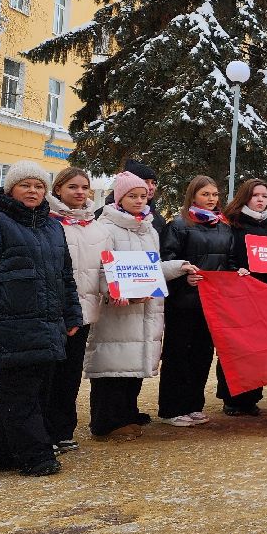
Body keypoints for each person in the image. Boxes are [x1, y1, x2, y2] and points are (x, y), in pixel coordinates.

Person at [0, 161, 84, 477]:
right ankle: (36, 457)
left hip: (46, 325)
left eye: (39, 186)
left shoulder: (52, 227)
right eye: (25, 185)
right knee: (22, 393)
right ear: (10, 189)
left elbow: (65, 277)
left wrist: (72, 314)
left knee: (19, 392)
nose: (33, 191)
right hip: (8, 325)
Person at [84, 171, 193, 439]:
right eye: (132, 196)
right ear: (119, 198)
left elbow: (151, 268)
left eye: (143, 196)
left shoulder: (148, 228)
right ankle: (106, 422)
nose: (139, 200)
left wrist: (178, 266)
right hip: (118, 308)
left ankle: (127, 414)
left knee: (132, 366)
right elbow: (100, 268)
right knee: (112, 365)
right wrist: (115, 291)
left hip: (145, 307)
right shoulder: (106, 227)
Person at [159, 175, 233, 426]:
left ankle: (193, 404)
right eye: (205, 195)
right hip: (184, 302)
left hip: (212, 303)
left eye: (214, 195)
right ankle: (172, 408)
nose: (211, 199)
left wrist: (237, 273)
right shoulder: (179, 225)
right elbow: (167, 260)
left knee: (202, 355)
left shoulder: (224, 226)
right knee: (178, 354)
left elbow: (230, 260)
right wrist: (182, 279)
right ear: (193, 196)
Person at [46, 167, 109, 452]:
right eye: (73, 187)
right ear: (58, 189)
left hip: (84, 311)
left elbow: (105, 267)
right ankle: (43, 432)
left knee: (70, 374)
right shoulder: (47, 222)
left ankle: (62, 430)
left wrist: (114, 288)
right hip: (52, 312)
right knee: (49, 374)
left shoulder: (96, 226)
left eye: (84, 187)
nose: (80, 192)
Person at [219, 178, 267, 415]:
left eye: (264, 196)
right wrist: (235, 270)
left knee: (261, 346)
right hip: (240, 292)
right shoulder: (233, 222)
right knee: (237, 346)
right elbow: (226, 255)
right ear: (245, 197)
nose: (260, 200)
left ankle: (252, 396)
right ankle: (231, 397)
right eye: (255, 195)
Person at [98, 158, 168, 239]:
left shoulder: (158, 220)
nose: (151, 187)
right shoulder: (103, 216)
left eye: (153, 183)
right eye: (146, 182)